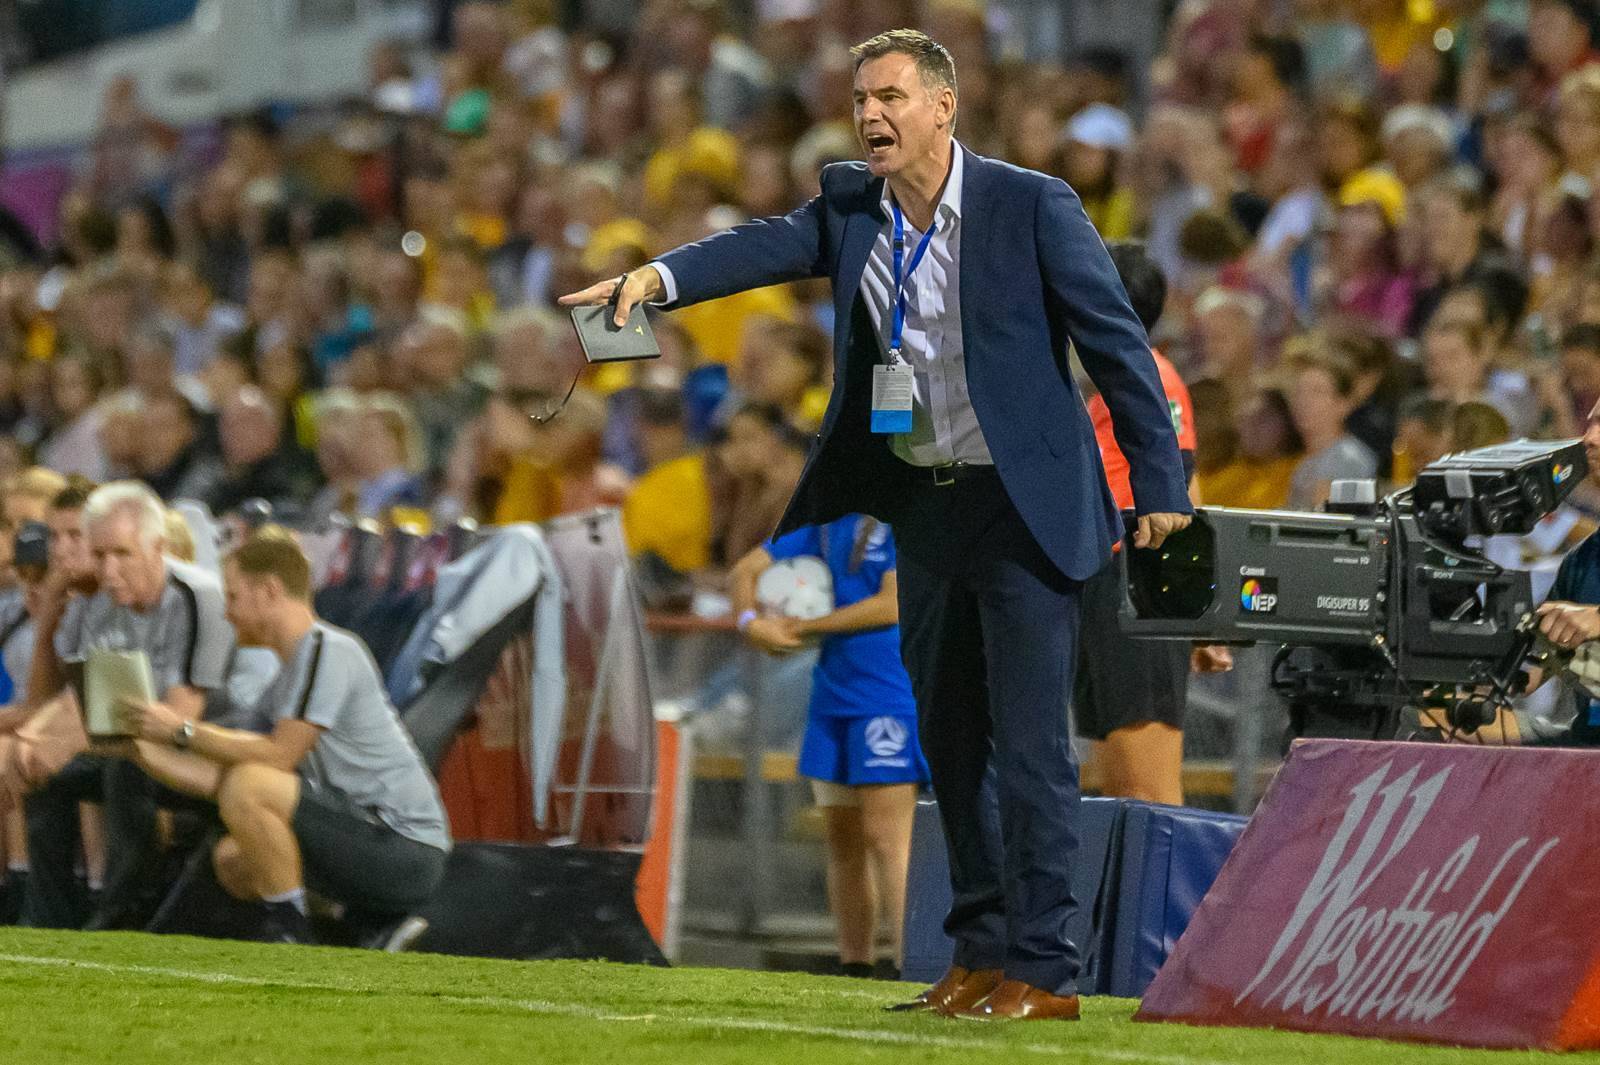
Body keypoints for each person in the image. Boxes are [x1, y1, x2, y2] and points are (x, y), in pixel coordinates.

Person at [563, 28, 1191, 1021]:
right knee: (950, 744)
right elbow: (756, 247)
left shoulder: (1031, 204)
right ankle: (979, 953)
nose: (870, 116)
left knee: (1031, 746)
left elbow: (1116, 348)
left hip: (1024, 508)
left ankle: (1045, 968)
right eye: (861, 99)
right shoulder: (852, 204)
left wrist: (1162, 488)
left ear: (943, 106)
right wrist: (655, 280)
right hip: (925, 503)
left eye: (891, 97)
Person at [121, 528, 451, 945]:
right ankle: (358, 933)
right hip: (364, 835)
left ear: (269, 591)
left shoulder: (329, 649)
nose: (227, 613)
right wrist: (136, 749)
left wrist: (180, 731)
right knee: (233, 859)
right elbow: (221, 779)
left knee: (250, 785)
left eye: (234, 596)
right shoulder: (290, 673)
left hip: (405, 849)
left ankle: (291, 936)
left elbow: (277, 757)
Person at [18, 481, 233, 930]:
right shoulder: (103, 601)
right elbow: (80, 697)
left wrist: (72, 741)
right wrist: (35, 741)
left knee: (127, 763)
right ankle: (48, 918)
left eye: (122, 554)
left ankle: (122, 913)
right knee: (43, 772)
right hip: (135, 736)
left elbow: (180, 715)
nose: (109, 570)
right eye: (99, 556)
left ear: (158, 547)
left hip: (210, 745)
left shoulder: (196, 597)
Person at [731, 515, 926, 979]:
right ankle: (855, 966)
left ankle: (913, 967)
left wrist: (804, 626)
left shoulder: (901, 516)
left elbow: (893, 603)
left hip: (887, 695)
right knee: (842, 837)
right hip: (832, 696)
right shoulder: (827, 520)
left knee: (888, 837)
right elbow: (744, 570)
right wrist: (751, 623)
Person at [1075, 242, 1232, 805]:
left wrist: (1198, 611)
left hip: (1139, 583)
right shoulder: (1113, 382)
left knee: (1149, 793)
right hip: (1106, 585)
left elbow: (1181, 492)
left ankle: (1174, 872)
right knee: (1120, 790)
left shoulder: (1150, 378)